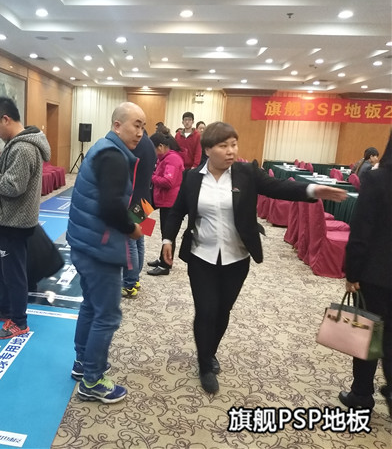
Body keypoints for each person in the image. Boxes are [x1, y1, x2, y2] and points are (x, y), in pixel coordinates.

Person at [160, 122, 348, 394]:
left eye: (234, 144)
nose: (231, 151)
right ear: (208, 149)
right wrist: (167, 239)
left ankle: (210, 351)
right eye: (223, 146)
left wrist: (311, 191)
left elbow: (278, 187)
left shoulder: (246, 173)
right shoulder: (192, 178)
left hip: (237, 257)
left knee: (223, 310)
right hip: (201, 255)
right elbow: (178, 211)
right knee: (206, 310)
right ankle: (204, 365)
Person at [67, 102, 145, 403]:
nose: (140, 132)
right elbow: (111, 207)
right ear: (117, 125)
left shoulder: (103, 148)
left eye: (143, 126)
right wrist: (132, 228)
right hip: (100, 248)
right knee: (108, 315)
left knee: (91, 305)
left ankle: (82, 362)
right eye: (135, 125)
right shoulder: (113, 156)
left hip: (86, 243)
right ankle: (93, 380)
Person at [0, 96, 51, 340]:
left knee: (13, 273)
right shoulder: (15, 144)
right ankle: (6, 308)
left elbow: (12, 186)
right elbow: (13, 171)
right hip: (5, 219)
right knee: (0, 266)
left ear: (6, 119)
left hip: (14, 221)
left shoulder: (23, 147)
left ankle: (19, 321)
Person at [339, 131, 392, 418]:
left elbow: (361, 231)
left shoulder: (377, 178)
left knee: (368, 332)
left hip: (376, 274)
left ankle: (361, 395)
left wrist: (352, 272)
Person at [0, 188, 64, 294]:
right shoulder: (16, 209)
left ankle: (10, 288)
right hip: (51, 261)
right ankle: (29, 283)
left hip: (32, 267)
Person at [122, 130, 157, 298]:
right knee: (139, 240)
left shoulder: (136, 144)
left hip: (134, 200)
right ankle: (134, 279)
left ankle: (129, 283)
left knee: (129, 241)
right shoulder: (149, 143)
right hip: (146, 200)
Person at [147, 132, 184, 276]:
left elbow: (168, 181)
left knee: (168, 233)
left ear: (161, 146)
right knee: (163, 230)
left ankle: (165, 265)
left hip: (171, 202)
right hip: (161, 199)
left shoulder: (172, 159)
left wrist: (151, 177)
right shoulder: (164, 158)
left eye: (154, 150)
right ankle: (162, 258)